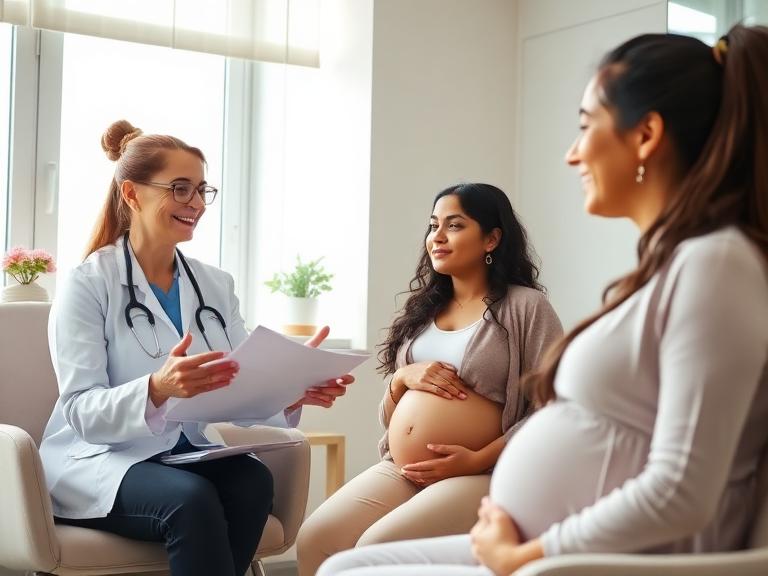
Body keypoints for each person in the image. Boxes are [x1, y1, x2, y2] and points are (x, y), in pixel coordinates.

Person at [316, 23, 768, 576]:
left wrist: (532, 552)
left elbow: (681, 491)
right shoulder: (676, 266)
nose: (572, 155)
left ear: (646, 134)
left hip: (584, 560)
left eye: (585, 127)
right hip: (543, 540)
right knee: (340, 566)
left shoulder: (714, 264)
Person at [38, 120, 354, 576]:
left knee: (251, 483)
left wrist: (291, 388)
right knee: (191, 500)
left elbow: (241, 385)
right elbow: (81, 410)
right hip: (98, 459)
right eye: (180, 189)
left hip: (181, 452)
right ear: (132, 194)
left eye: (203, 190)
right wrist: (157, 388)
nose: (196, 204)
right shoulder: (88, 284)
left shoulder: (214, 285)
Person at [297, 183, 562, 575]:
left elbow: (554, 406)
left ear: (492, 238)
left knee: (377, 547)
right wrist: (401, 378)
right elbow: (391, 416)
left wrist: (476, 459)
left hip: (484, 471)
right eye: (433, 225)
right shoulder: (422, 312)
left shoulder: (526, 307)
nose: (436, 237)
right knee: (317, 537)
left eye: (454, 226)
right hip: (403, 469)